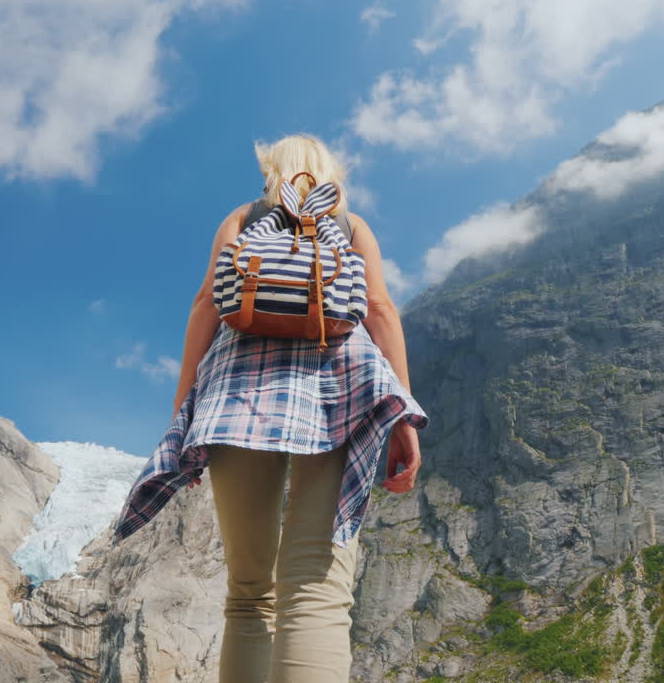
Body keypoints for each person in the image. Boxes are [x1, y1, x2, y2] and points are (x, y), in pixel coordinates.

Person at [112, 134, 428, 683]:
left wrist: (182, 411)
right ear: (331, 174)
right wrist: (402, 412)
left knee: (248, 593)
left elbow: (206, 304)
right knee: (317, 586)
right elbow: (378, 308)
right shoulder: (350, 227)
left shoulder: (242, 218)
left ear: (269, 170)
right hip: (340, 388)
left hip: (236, 395)